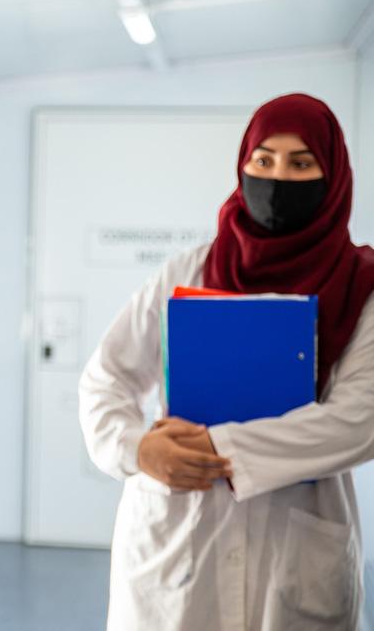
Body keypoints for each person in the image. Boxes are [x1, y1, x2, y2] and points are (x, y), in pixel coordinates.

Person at [79, 93, 374, 630]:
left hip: (298, 547)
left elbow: (359, 421)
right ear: (242, 166)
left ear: (332, 178)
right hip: (177, 533)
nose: (278, 178)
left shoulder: (363, 285)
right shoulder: (186, 272)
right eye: (263, 160)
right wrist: (139, 448)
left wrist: (216, 449)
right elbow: (107, 378)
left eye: (301, 163)